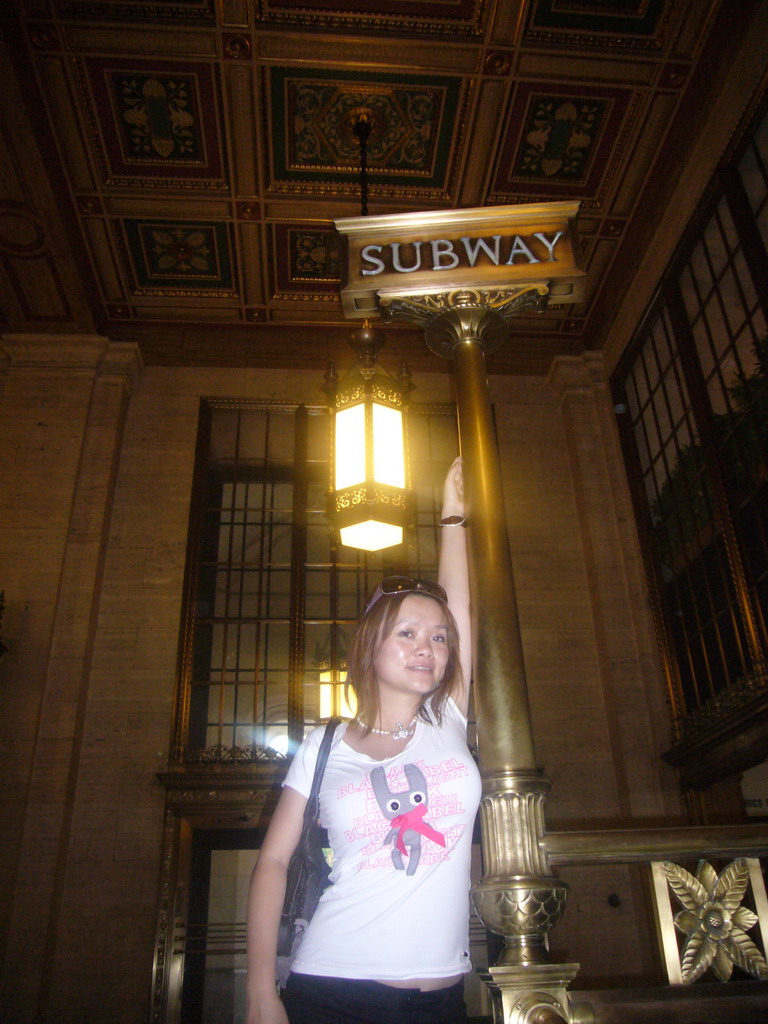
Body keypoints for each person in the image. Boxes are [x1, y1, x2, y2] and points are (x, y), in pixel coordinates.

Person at [246, 458, 480, 1024]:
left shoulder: (445, 721)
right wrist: (259, 989)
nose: (428, 646)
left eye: (439, 638)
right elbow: (274, 859)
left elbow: (463, 607)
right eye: (407, 633)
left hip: (444, 1000)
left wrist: (452, 516)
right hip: (333, 989)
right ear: (371, 647)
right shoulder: (325, 748)